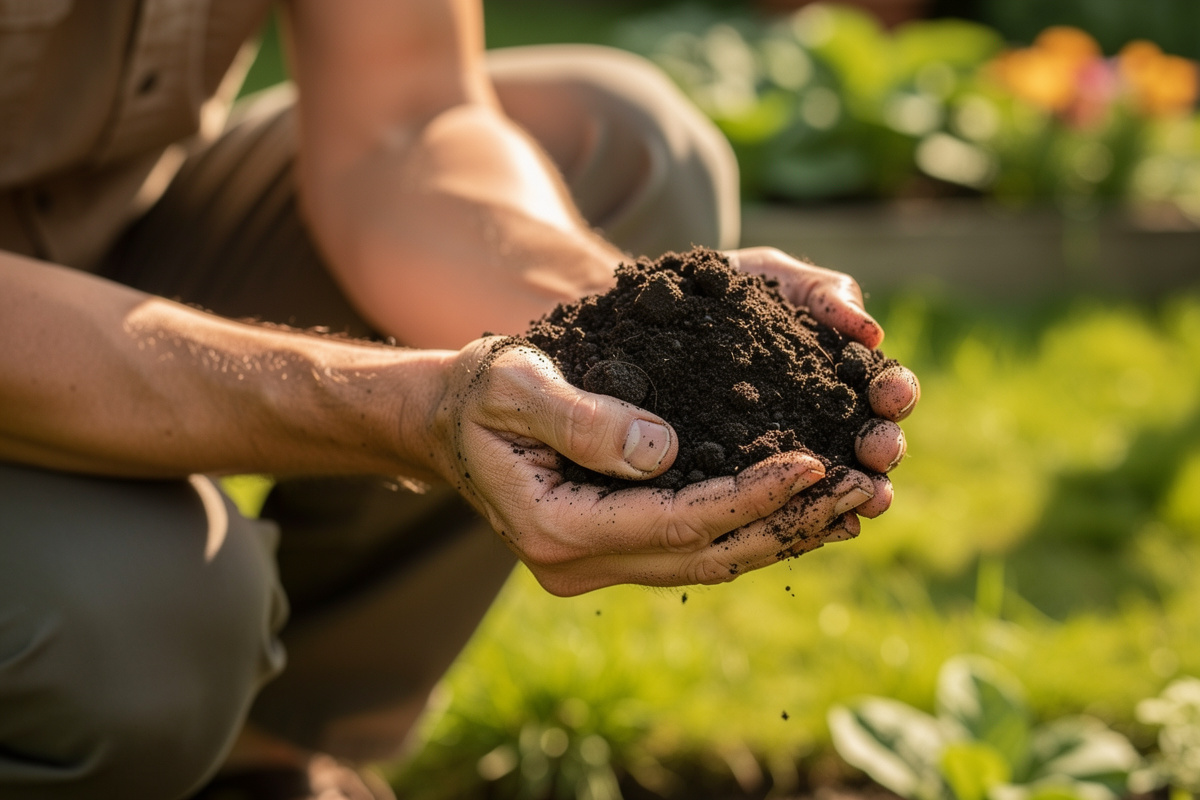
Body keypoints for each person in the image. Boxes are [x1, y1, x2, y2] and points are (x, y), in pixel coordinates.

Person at [0, 1, 920, 798]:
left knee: (633, 151)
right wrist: (410, 412)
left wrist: (630, 323)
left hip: (107, 228)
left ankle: (266, 750)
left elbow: (403, 117)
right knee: (145, 632)